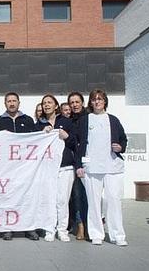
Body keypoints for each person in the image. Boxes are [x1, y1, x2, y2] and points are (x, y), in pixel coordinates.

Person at [74, 89, 128, 246]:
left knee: (113, 201)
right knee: (94, 202)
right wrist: (79, 165)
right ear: (90, 103)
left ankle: (118, 235)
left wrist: (120, 147)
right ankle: (96, 234)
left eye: (100, 99)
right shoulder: (85, 120)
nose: (97, 102)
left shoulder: (113, 120)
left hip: (112, 167)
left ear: (105, 102)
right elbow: (79, 144)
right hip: (91, 168)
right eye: (94, 99)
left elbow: (123, 139)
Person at [0, 92, 38, 241]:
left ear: (19, 103)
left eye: (14, 101)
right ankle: (8, 228)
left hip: (26, 167)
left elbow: (36, 140)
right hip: (6, 167)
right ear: (5, 104)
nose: (11, 103)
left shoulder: (28, 120)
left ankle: (29, 228)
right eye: (9, 101)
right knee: (8, 197)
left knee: (27, 197)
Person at [35, 95, 76, 242]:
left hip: (65, 167)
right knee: (49, 199)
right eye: (44, 103)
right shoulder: (38, 124)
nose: (46, 105)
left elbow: (75, 143)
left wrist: (67, 137)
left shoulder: (66, 122)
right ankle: (49, 228)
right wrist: (41, 133)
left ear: (56, 105)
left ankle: (62, 229)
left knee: (63, 200)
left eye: (49, 103)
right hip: (47, 168)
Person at [67, 91, 88, 240]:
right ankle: (80, 225)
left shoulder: (90, 118)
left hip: (91, 161)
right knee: (77, 195)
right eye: (72, 102)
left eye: (77, 102)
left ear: (82, 103)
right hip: (76, 162)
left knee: (91, 195)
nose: (74, 105)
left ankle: (92, 224)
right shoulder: (68, 121)